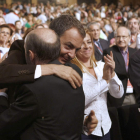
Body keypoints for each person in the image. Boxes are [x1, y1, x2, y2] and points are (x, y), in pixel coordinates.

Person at [0, 14, 98, 134]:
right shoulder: (25, 47)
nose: (72, 55)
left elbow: (57, 108)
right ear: (52, 36)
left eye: (76, 50)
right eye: (68, 46)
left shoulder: (72, 70)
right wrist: (46, 69)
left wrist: (81, 122)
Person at [71, 30, 124, 140]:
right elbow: (82, 99)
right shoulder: (72, 70)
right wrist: (105, 80)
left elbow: (118, 94)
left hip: (105, 126)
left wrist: (112, 73)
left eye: (89, 42)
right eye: (82, 43)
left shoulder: (101, 66)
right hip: (84, 130)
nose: (86, 46)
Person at [103, 26, 137, 107]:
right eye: (118, 37)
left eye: (124, 37)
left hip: (134, 94)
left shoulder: (134, 52)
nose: (121, 39)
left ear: (129, 38)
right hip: (118, 95)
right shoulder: (109, 52)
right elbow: (112, 72)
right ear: (114, 38)